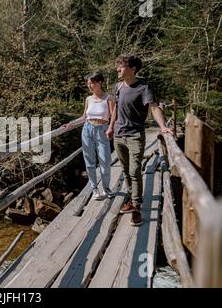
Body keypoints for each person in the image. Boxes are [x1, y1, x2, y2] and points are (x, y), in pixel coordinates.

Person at [108, 53, 172, 226]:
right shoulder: (118, 87)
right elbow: (116, 109)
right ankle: (131, 198)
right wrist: (111, 126)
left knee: (135, 170)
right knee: (126, 170)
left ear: (132, 69)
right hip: (119, 136)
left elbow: (153, 107)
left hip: (135, 135)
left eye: (121, 66)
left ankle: (136, 206)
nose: (117, 69)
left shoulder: (144, 87)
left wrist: (162, 126)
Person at [64, 72, 116, 200]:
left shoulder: (108, 98)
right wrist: (71, 124)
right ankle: (94, 189)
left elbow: (114, 116)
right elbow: (84, 117)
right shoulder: (88, 99)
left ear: (99, 83)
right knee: (90, 162)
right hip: (87, 129)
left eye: (92, 83)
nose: (89, 85)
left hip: (102, 130)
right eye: (88, 83)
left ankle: (106, 188)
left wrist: (110, 128)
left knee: (105, 161)